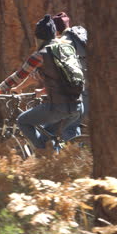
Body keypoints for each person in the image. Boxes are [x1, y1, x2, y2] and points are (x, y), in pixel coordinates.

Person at [0, 14, 82, 152]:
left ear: (38, 38)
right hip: (78, 105)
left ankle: (43, 155)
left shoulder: (41, 54)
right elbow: (54, 76)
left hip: (59, 107)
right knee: (48, 135)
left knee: (22, 121)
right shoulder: (65, 49)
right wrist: (31, 89)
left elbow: (18, 76)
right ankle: (53, 157)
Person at [49, 12, 89, 141]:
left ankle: (75, 158)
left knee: (70, 126)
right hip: (96, 82)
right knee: (75, 122)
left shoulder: (64, 42)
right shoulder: (80, 33)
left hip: (82, 88)